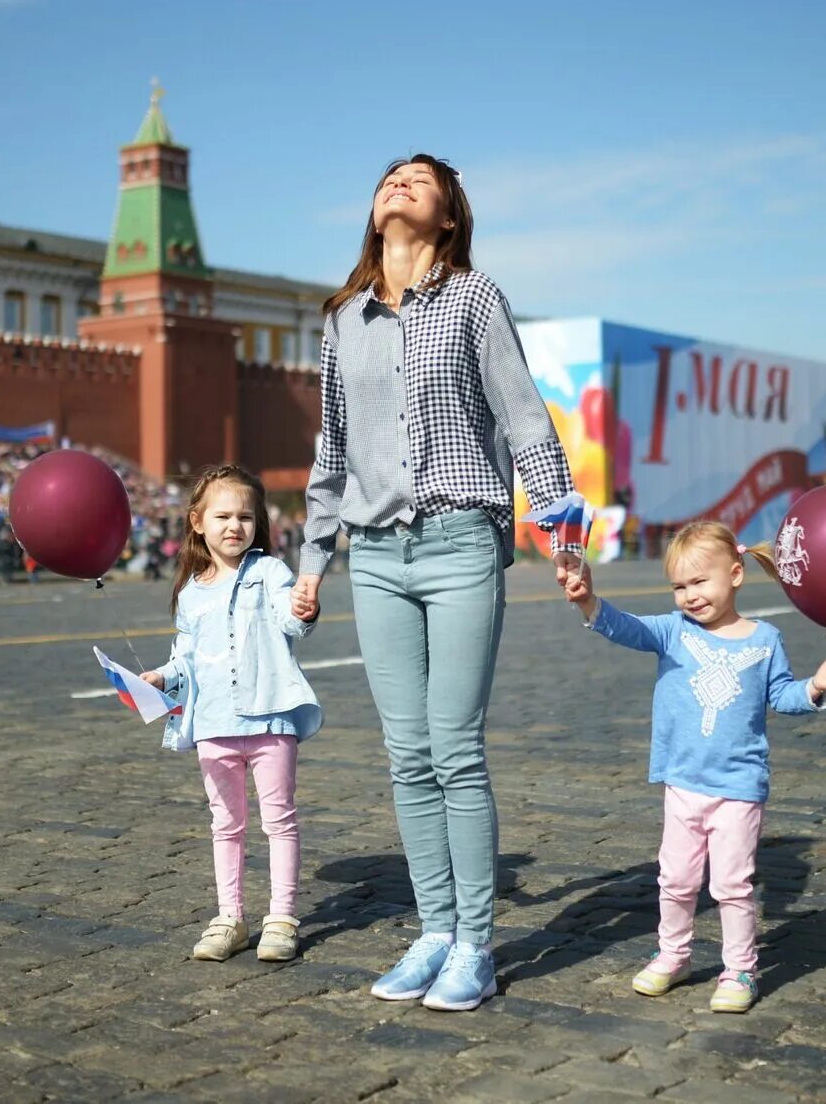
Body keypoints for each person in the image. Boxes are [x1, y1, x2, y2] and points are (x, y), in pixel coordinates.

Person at [292, 155, 582, 1012]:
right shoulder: (342, 319)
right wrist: (314, 564)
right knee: (407, 756)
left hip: (461, 542)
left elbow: (525, 415)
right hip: (376, 555)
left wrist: (562, 531)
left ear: (448, 215)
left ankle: (476, 947)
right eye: (390, 175)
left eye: (421, 179)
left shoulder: (475, 297)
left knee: (454, 749)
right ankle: (432, 931)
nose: (400, 182)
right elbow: (330, 450)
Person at [559, 521, 826, 1013]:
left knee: (732, 885)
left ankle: (740, 968)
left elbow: (782, 696)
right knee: (674, 880)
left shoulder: (765, 639)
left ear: (735, 574)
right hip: (682, 782)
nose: (690, 596)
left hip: (738, 786)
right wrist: (589, 601)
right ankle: (674, 954)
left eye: (700, 582)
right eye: (679, 586)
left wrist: (817, 685)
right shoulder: (673, 632)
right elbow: (624, 626)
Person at [140, 465, 321, 964]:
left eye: (245, 516)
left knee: (279, 821)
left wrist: (303, 608)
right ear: (197, 521)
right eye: (222, 516)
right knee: (226, 825)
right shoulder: (191, 593)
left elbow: (290, 620)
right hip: (214, 726)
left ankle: (281, 917)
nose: (234, 526)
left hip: (270, 721)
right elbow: (185, 660)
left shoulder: (270, 572)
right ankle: (230, 917)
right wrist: (158, 678)